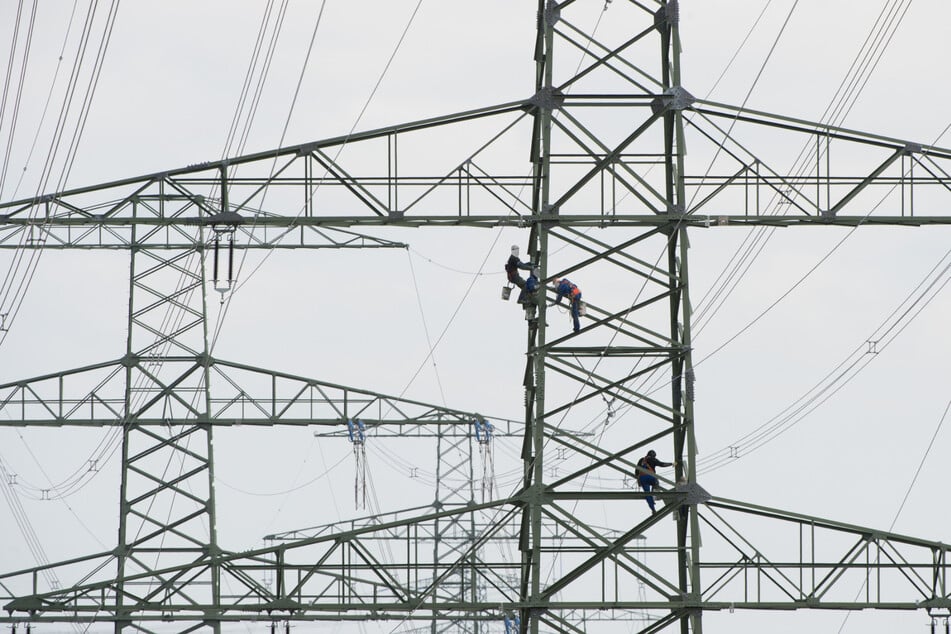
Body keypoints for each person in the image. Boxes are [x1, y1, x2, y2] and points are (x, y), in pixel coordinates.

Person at [636, 449, 675, 515]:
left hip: (642, 478)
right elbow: (662, 464)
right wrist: (672, 464)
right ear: (653, 455)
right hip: (650, 477)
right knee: (656, 482)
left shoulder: (641, 460)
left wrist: (639, 480)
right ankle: (654, 494)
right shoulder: (653, 459)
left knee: (647, 494)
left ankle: (653, 509)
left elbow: (636, 471)